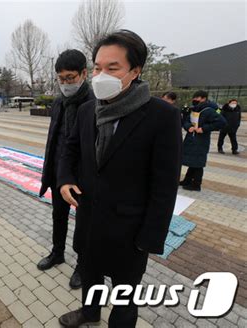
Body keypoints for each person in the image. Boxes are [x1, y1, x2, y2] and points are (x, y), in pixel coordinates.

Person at [57, 30, 181, 328]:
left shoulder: (161, 116)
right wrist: (64, 179)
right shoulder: (88, 110)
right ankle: (89, 313)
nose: (102, 75)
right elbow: (70, 150)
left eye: (112, 68)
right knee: (89, 273)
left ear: (135, 71)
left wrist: (151, 237)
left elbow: (165, 185)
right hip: (89, 218)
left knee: (126, 293)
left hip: (130, 229)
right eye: (98, 67)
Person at [38, 49, 95, 290]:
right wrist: (50, 169)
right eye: (60, 79)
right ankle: (57, 252)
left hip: (82, 177)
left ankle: (83, 265)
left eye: (70, 78)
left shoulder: (95, 102)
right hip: (57, 172)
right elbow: (55, 137)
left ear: (84, 73)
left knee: (84, 223)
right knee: (58, 215)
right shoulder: (59, 101)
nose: (65, 83)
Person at [180, 90, 226, 191]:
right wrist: (189, 127)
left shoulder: (209, 110)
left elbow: (221, 122)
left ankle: (196, 184)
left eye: (197, 98)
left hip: (201, 139)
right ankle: (187, 180)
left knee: (198, 162)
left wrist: (204, 128)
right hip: (191, 137)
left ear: (204, 98)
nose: (195, 100)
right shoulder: (194, 109)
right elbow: (186, 120)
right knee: (193, 161)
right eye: (194, 98)